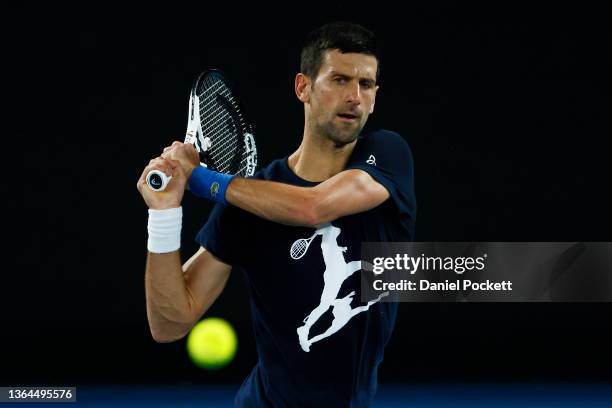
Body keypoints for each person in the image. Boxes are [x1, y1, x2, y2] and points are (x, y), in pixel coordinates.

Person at [137, 21, 417, 407]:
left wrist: (201, 180)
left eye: (365, 84)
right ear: (303, 87)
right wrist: (164, 214)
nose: (354, 96)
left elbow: (312, 206)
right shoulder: (249, 202)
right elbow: (169, 324)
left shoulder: (388, 155)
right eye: (338, 80)